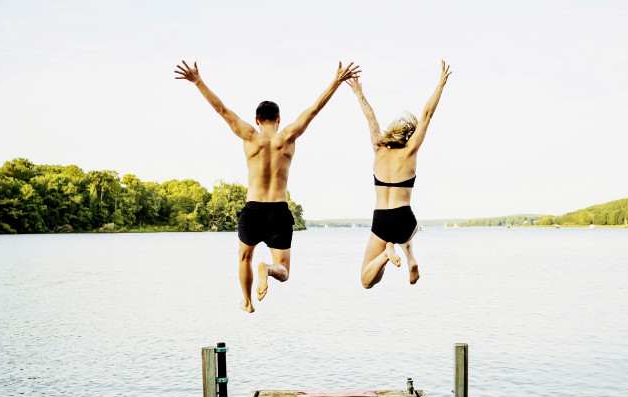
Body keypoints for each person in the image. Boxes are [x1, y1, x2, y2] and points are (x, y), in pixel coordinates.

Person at [175, 60, 361, 313]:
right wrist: (336, 82)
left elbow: (221, 109)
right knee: (283, 271)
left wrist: (197, 81)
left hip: (253, 209)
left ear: (257, 119)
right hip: (278, 210)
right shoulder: (288, 136)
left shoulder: (249, 135)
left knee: (244, 257)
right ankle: (269, 269)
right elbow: (314, 109)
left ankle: (247, 301)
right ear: (279, 119)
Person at [347, 61, 451, 289]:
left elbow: (370, 116)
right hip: (405, 219)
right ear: (408, 136)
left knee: (366, 280)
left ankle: (386, 254)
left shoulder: (378, 148)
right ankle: (410, 257)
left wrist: (358, 93)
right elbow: (427, 114)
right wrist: (441, 84)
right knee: (410, 229)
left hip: (382, 219)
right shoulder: (410, 151)